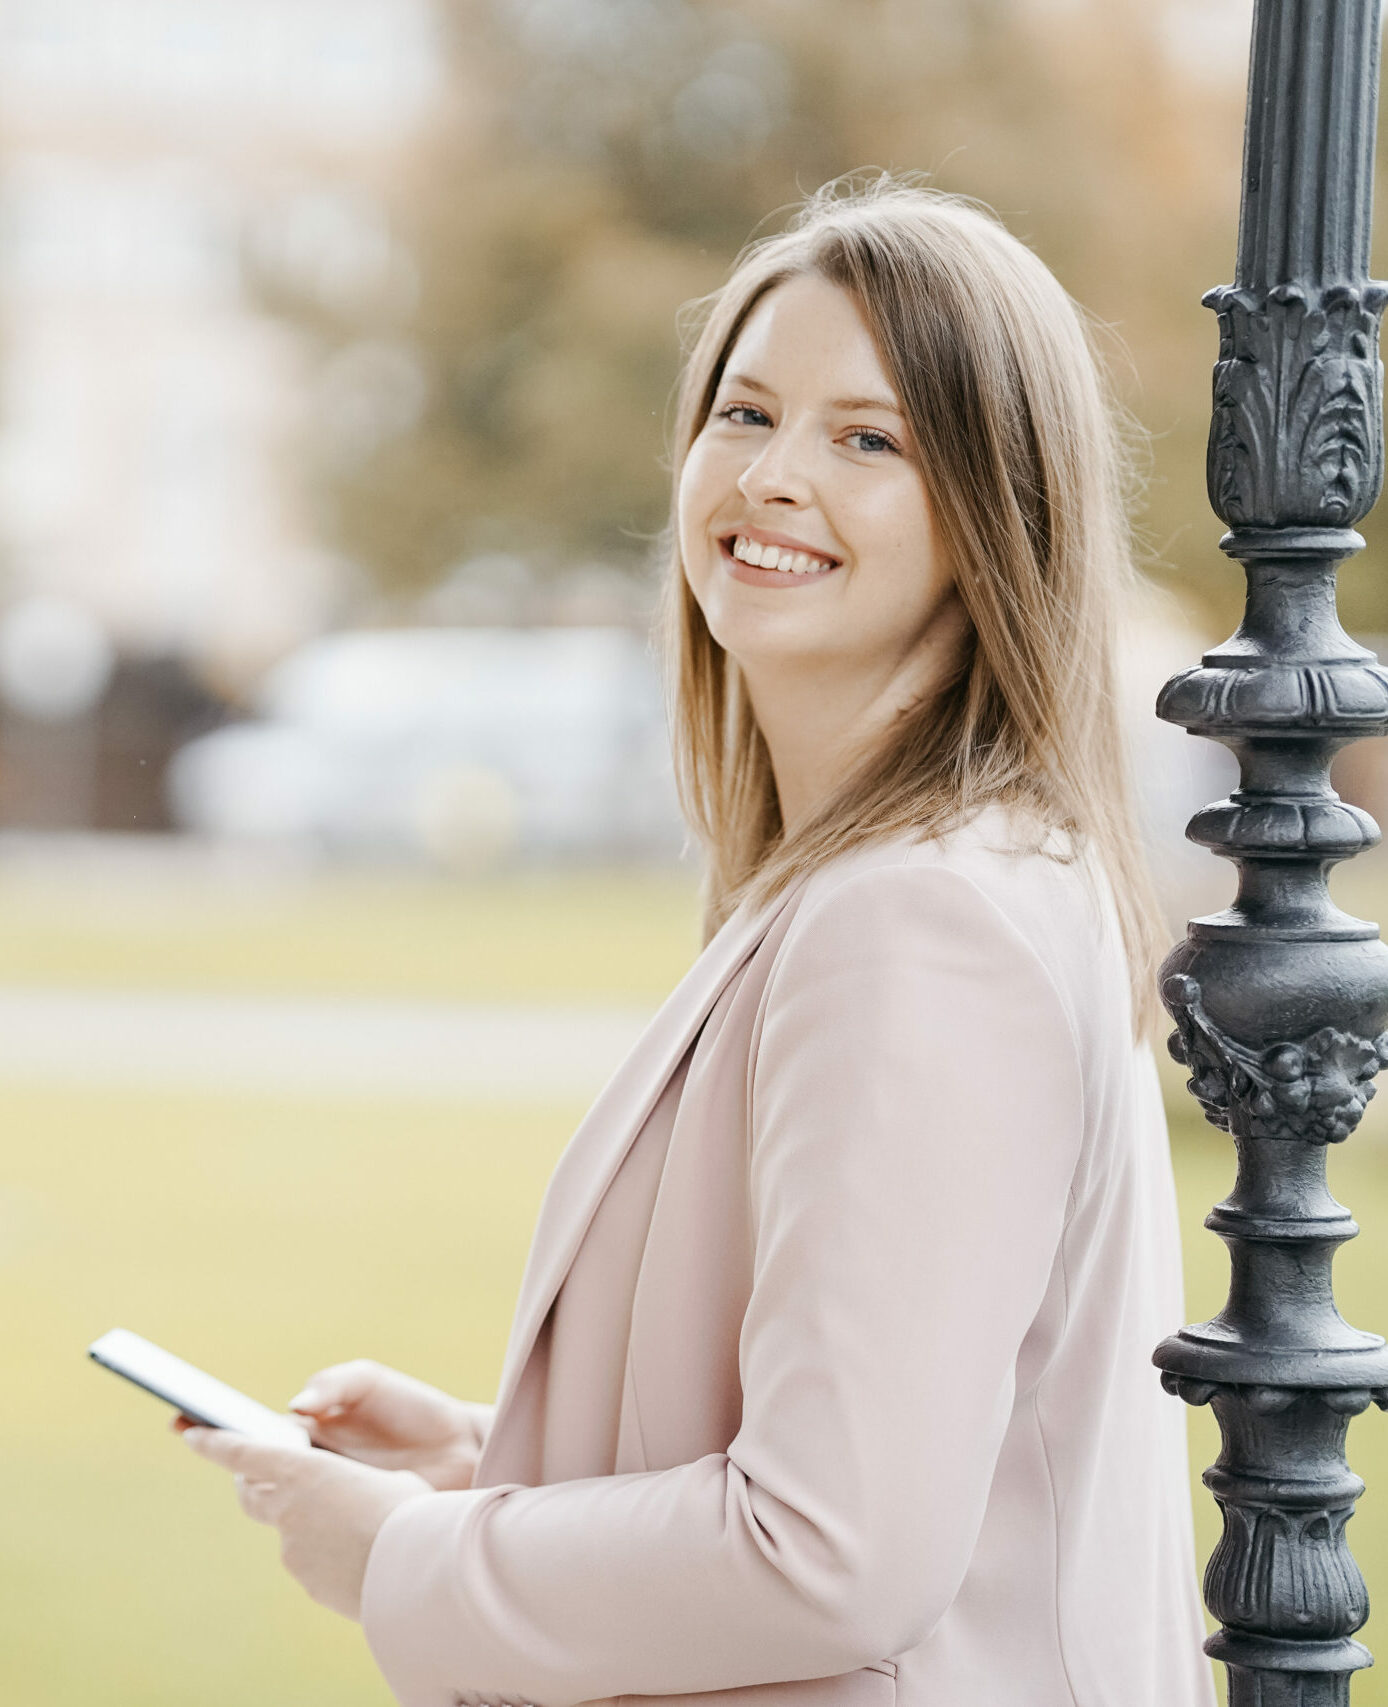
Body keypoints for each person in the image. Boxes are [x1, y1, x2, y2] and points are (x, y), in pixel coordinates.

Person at [180, 177, 1216, 1707]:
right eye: (747, 412)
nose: (774, 475)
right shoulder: (922, 876)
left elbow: (833, 1553)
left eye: (870, 439)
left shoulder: (921, 923)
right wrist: (494, 1461)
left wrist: (404, 1559)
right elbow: (904, 1450)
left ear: (996, 516)